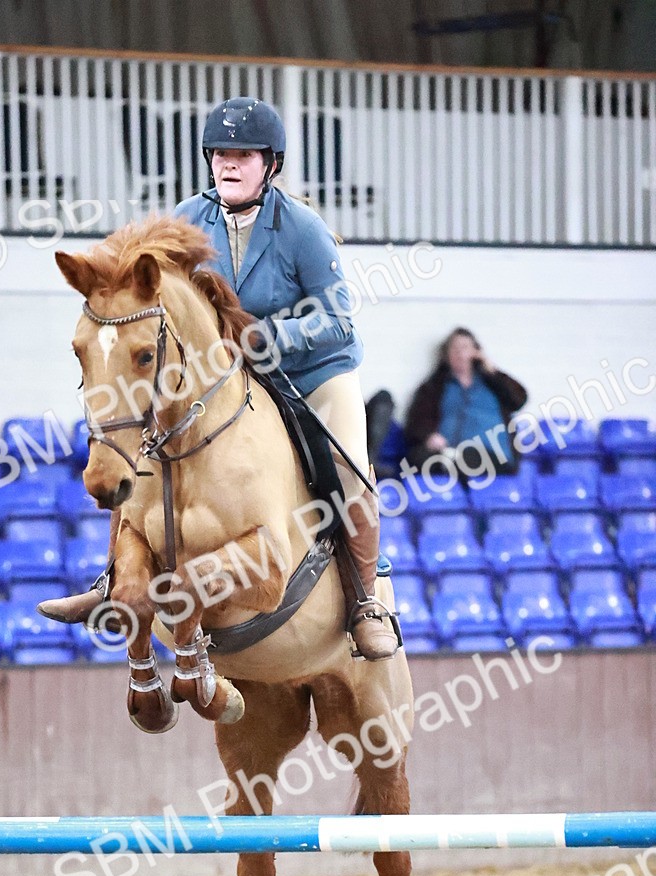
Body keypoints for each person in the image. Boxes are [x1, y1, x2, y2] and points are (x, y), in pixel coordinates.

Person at [40, 96, 398, 660]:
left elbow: (336, 320)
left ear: (270, 165)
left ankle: (365, 602)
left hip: (308, 370)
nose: (229, 164)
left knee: (351, 470)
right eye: (221, 154)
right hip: (219, 375)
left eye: (244, 155)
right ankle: (113, 579)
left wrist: (269, 338)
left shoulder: (302, 228)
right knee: (140, 444)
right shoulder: (187, 217)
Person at [404, 328, 527, 477]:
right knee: (416, 458)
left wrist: (492, 370)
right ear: (446, 354)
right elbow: (416, 421)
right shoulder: (434, 387)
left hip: (491, 454)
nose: (460, 354)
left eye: (465, 348)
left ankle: (451, 462)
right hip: (445, 452)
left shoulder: (492, 382)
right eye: (454, 348)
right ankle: (451, 461)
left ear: (476, 352)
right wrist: (429, 436)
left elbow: (519, 399)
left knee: (469, 457)